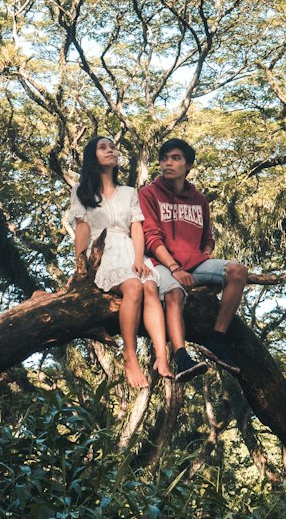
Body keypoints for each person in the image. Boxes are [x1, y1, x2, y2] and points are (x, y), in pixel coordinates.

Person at [67, 135, 174, 388]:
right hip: (103, 252)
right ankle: (130, 356)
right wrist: (80, 268)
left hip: (129, 249)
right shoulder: (81, 191)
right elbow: (82, 231)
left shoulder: (128, 192)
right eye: (102, 147)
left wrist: (139, 259)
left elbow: (137, 228)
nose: (110, 150)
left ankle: (162, 355)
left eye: (112, 147)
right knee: (134, 287)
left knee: (149, 286)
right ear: (92, 157)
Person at [139, 138, 248, 381]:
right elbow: (151, 238)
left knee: (238, 271)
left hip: (195, 263)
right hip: (160, 262)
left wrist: (205, 255)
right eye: (164, 159)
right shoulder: (148, 194)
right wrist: (175, 267)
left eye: (175, 158)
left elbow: (208, 237)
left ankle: (217, 339)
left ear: (188, 165)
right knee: (174, 293)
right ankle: (181, 356)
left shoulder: (199, 199)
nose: (168, 163)